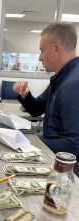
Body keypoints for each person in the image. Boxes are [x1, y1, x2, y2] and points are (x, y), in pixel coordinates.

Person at [13, 22, 79, 175]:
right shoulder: (61, 78)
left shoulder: (73, 84)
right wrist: (25, 94)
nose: (40, 57)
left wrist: (34, 142)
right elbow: (36, 108)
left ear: (56, 49)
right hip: (55, 158)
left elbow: (75, 144)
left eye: (42, 50)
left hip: (68, 171)